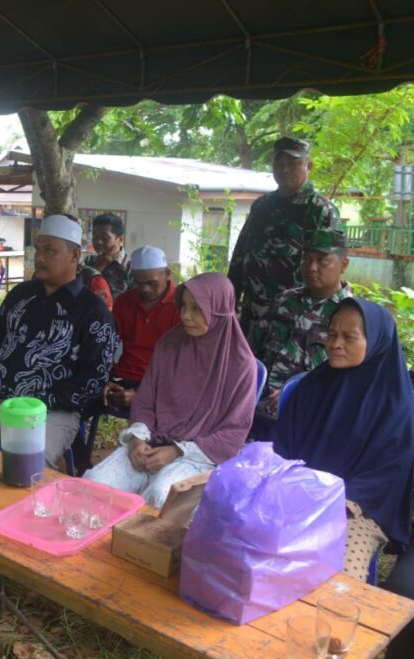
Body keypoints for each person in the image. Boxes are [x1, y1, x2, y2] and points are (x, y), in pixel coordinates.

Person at [272, 298, 414, 659]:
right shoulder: (312, 387)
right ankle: (259, 643)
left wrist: (332, 501)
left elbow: (387, 473)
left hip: (358, 510)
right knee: (254, 549)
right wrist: (293, 491)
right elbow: (283, 450)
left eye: (349, 337)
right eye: (332, 334)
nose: (335, 344)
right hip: (300, 498)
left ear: (377, 342)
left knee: (336, 590)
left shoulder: (396, 404)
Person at [0, 214, 117, 468]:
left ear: (74, 256)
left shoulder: (92, 310)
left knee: (27, 465)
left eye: (50, 250)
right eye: (38, 249)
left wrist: (45, 400)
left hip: (49, 414)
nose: (39, 257)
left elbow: (95, 376)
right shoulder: (21, 295)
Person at [85, 273, 256, 507]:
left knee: (160, 496)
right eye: (183, 306)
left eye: (197, 309)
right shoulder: (170, 344)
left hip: (200, 457)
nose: (185, 315)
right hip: (151, 443)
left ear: (219, 310)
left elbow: (233, 434)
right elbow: (145, 401)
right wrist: (137, 440)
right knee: (93, 484)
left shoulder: (240, 365)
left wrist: (177, 451)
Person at [227, 136, 340, 338]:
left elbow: (327, 267)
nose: (285, 169)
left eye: (294, 163)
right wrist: (230, 298)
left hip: (294, 317)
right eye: (279, 163)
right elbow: (241, 252)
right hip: (253, 313)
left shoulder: (320, 209)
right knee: (249, 367)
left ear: (309, 166)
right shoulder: (262, 206)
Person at [249, 229, 352, 434]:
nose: (312, 268)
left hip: (306, 417)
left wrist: (298, 393)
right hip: (253, 407)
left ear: (343, 265)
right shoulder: (284, 301)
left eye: (323, 261)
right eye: (307, 259)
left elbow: (349, 382)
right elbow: (249, 351)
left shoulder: (352, 316)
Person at [103, 246, 180, 411]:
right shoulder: (124, 302)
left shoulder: (182, 305)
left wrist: (141, 394)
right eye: (139, 283)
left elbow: (182, 364)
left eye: (152, 283)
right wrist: (106, 380)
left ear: (167, 274)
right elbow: (109, 346)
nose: (145, 289)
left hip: (164, 382)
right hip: (123, 376)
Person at [84, 213, 131, 298]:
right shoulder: (89, 261)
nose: (98, 242)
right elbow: (82, 292)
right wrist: (100, 267)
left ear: (120, 240)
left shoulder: (129, 266)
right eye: (95, 237)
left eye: (105, 237)